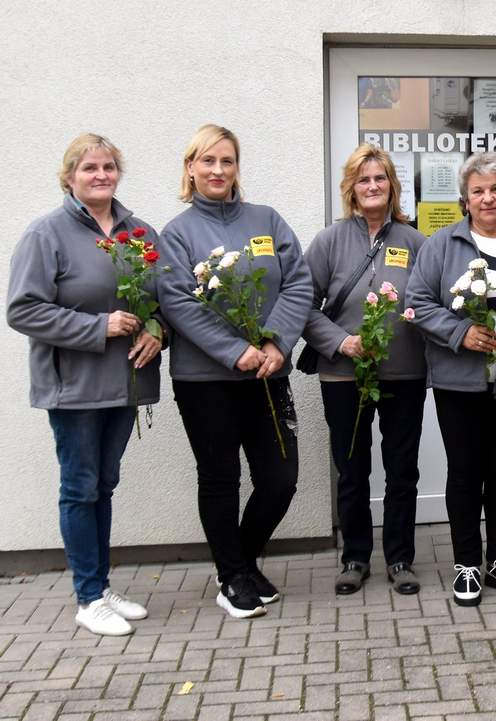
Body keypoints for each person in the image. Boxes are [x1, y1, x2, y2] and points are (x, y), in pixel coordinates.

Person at [7, 133, 162, 636]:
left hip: (125, 383)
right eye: (90, 168)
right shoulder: (46, 233)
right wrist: (97, 327)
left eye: (109, 167)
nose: (101, 175)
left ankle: (101, 584)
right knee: (79, 487)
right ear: (70, 176)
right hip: (73, 385)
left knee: (105, 485)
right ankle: (87, 596)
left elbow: (164, 298)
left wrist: (157, 331)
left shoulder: (139, 232)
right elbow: (23, 309)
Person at [158, 124, 313, 620]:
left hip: (268, 373)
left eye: (227, 161)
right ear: (190, 168)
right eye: (207, 161)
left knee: (280, 479)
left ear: (237, 167)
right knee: (221, 479)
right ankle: (232, 578)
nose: (218, 171)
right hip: (207, 383)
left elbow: (299, 284)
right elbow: (178, 302)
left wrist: (275, 341)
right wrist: (232, 350)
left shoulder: (267, 220)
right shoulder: (177, 234)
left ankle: (240, 563)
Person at [407, 152, 496, 606]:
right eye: (477, 190)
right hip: (459, 384)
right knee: (466, 472)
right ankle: (467, 564)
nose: (487, 198)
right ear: (464, 199)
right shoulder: (442, 244)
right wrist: (460, 333)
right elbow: (416, 302)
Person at [303, 143, 427, 597]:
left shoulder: (416, 243)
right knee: (352, 470)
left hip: (405, 375)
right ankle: (354, 556)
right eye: (363, 179)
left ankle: (399, 558)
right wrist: (341, 341)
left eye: (380, 178)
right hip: (343, 376)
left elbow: (429, 304)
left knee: (402, 470)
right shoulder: (329, 241)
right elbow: (303, 305)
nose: (372, 186)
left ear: (393, 187)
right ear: (351, 189)